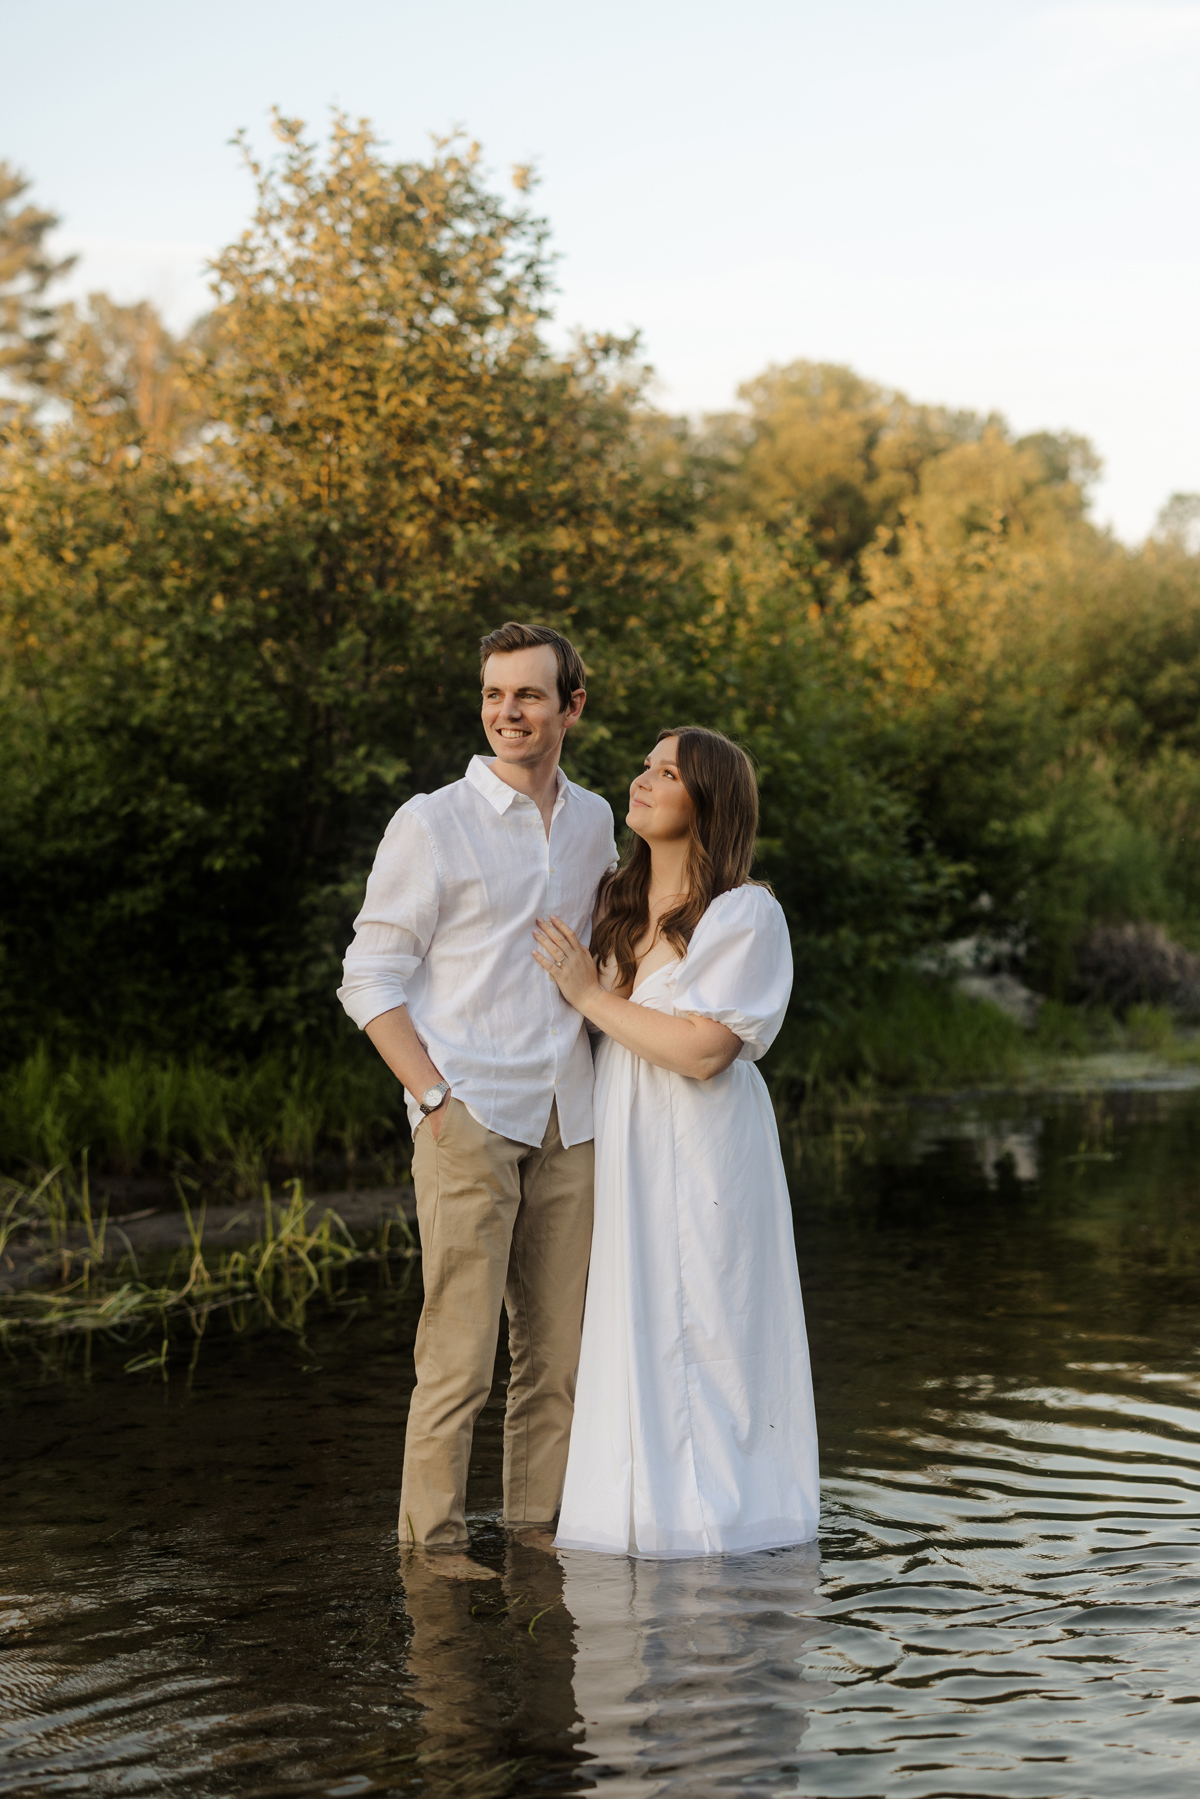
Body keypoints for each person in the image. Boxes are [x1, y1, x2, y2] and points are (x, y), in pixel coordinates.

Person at [338, 622, 617, 1576]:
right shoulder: (433, 822)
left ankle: (534, 1527)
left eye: (530, 696)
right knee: (457, 1354)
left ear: (571, 707)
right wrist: (431, 1095)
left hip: (570, 1113)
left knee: (555, 1354)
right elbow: (367, 976)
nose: (509, 713)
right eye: (496, 695)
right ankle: (433, 1547)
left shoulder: (595, 822)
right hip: (470, 1113)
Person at [532, 726, 819, 1556]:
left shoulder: (744, 912)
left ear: (711, 801)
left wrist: (589, 994)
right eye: (646, 765)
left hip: (705, 1148)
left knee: (712, 1323)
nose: (645, 779)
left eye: (670, 772)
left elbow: (702, 1050)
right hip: (628, 1143)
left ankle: (725, 1526)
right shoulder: (614, 903)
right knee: (638, 1314)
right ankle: (633, 1519)